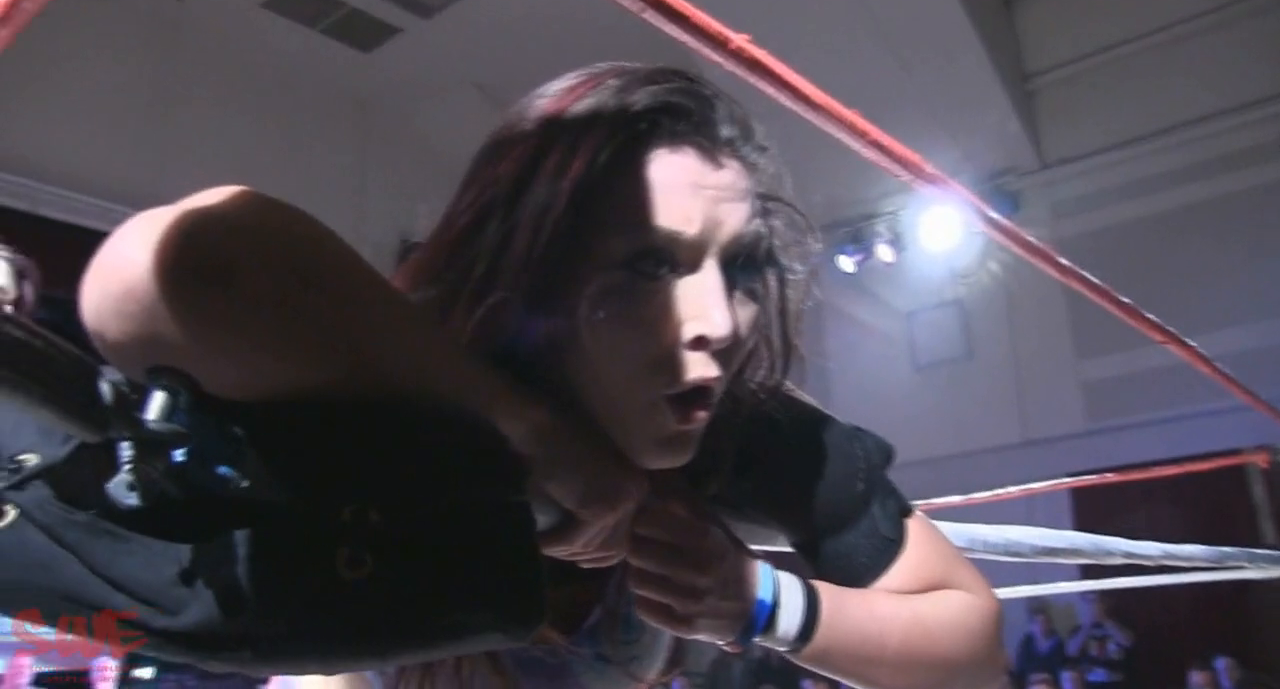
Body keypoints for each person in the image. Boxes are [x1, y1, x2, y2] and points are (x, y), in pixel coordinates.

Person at [12, 63, 1003, 688]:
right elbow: (164, 272)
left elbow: (969, 645)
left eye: (737, 268)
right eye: (646, 267)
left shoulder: (737, 422)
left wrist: (755, 602)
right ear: (537, 275)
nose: (713, 322)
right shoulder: (429, 370)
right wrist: (527, 436)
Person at [1065, 593, 1132, 689]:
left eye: (1097, 602)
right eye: (1090, 602)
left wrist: (1104, 620)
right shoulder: (1080, 629)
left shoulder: (1117, 625)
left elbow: (1128, 642)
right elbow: (1071, 651)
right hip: (1091, 682)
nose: (1094, 606)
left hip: (1117, 681)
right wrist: (1088, 625)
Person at [1013, 603, 1066, 688]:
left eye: (1044, 622)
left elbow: (1059, 669)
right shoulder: (1026, 643)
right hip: (1030, 683)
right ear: (1031, 626)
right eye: (1037, 622)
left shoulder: (1058, 643)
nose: (1041, 626)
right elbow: (1020, 669)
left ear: (1050, 624)